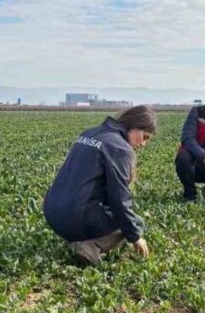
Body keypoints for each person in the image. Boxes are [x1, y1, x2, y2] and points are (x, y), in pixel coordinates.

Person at [44, 105, 156, 265]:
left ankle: (75, 237)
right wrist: (135, 236)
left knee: (113, 214)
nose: (143, 144)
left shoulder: (89, 133)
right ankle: (89, 246)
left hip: (52, 212)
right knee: (136, 223)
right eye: (144, 137)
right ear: (134, 126)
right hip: (75, 217)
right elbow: (119, 199)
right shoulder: (120, 148)